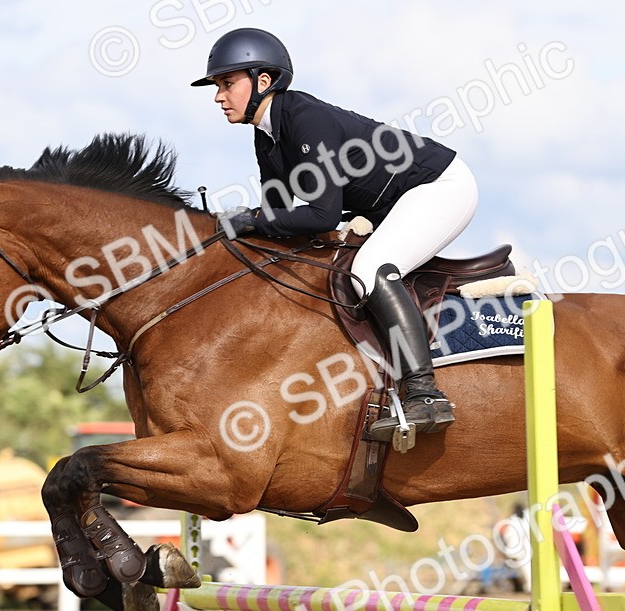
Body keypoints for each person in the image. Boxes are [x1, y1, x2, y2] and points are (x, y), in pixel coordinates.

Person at [192, 28, 479, 442]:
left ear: (263, 81)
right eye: (218, 86)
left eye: (226, 83)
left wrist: (252, 219)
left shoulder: (306, 119)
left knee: (371, 270)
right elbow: (279, 214)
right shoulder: (267, 135)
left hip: (440, 187)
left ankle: (424, 394)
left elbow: (320, 215)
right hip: (393, 202)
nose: (218, 96)